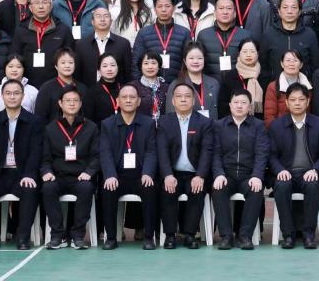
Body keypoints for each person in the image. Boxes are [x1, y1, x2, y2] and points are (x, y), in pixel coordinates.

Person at [0, 79, 42, 250]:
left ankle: (23, 236)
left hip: (22, 173)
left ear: (23, 96)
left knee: (30, 188)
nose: (12, 97)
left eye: (16, 93)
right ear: (2, 96)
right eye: (8, 93)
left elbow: (36, 151)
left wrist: (30, 174)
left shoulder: (34, 121)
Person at [98, 83, 160, 250]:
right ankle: (111, 237)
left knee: (150, 187)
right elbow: (105, 152)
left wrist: (147, 173)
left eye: (132, 97)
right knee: (108, 188)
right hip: (118, 175)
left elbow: (152, 151)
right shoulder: (107, 124)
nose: (128, 100)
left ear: (138, 101)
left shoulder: (148, 124)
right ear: (117, 101)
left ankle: (148, 237)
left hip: (140, 175)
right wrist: (110, 175)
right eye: (124, 97)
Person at [268, 83, 319, 249]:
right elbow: (271, 155)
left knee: (313, 185)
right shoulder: (276, 126)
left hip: (310, 172)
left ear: (308, 102)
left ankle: (309, 235)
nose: (297, 103)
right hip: (286, 172)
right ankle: (288, 235)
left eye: (301, 99)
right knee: (281, 186)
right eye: (293, 100)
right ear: (286, 103)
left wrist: (316, 169)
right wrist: (280, 170)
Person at [155, 83, 215, 249]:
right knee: (167, 191)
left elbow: (207, 151)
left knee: (197, 191)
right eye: (179, 96)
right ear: (173, 101)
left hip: (194, 174)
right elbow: (162, 151)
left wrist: (200, 175)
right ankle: (170, 235)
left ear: (194, 100)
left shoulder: (204, 122)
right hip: (172, 173)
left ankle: (189, 235)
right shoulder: (164, 122)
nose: (183, 99)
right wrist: (167, 175)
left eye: (187, 96)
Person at [40, 87, 100, 250]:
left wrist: (89, 172)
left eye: (75, 101)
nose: (72, 104)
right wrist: (47, 172)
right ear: (60, 103)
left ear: (80, 104)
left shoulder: (91, 127)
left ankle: (78, 235)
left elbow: (96, 156)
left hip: (81, 177)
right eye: (68, 101)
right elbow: (45, 157)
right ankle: (57, 235)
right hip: (58, 176)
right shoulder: (51, 128)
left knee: (86, 188)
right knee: (48, 188)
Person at [209, 89, 269, 250]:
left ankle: (245, 236)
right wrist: (219, 174)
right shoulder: (219, 125)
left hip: (248, 175)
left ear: (250, 107)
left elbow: (262, 153)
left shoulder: (258, 126)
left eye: (243, 103)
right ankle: (226, 236)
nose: (239, 106)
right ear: (230, 105)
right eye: (236, 102)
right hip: (226, 174)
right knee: (218, 189)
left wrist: (257, 175)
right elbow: (215, 153)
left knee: (256, 190)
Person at [11, 0, 74, 84]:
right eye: (36, 3)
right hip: (27, 84)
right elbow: (15, 57)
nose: (41, 6)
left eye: (44, 2)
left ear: (51, 6)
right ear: (30, 8)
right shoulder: (21, 30)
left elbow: (71, 57)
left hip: (57, 83)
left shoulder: (62, 29)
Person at [73, 7, 134, 86]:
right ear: (92, 22)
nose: (102, 19)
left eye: (106, 16)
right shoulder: (81, 45)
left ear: (111, 21)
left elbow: (127, 72)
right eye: (98, 16)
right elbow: (77, 73)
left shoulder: (123, 44)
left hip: (116, 90)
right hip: (89, 90)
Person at [262, 49, 311, 127]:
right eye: (288, 60)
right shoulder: (273, 86)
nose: (291, 64)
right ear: (282, 64)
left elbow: (311, 113)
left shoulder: (308, 86)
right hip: (280, 129)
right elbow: (269, 117)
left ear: (301, 65)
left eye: (295, 61)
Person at [217, 41, 263, 119]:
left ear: (258, 54)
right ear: (239, 54)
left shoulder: (264, 76)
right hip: (234, 122)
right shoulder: (230, 76)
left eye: (252, 51)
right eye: (244, 52)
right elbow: (223, 105)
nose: (248, 55)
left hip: (258, 123)